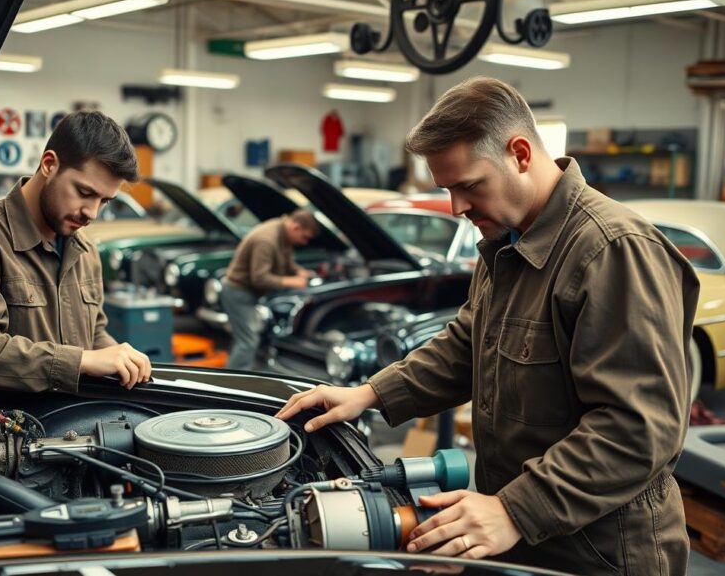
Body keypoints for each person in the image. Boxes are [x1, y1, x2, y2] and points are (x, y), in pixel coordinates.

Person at [276, 77, 699, 575]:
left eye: (469, 185)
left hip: (601, 550)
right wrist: (369, 394)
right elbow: (468, 344)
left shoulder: (612, 251)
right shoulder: (505, 243)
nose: (457, 207)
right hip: (523, 529)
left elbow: (638, 429)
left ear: (520, 153)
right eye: (446, 189)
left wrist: (515, 509)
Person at [0, 111, 153, 392]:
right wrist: (79, 361)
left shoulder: (85, 250)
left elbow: (92, 334)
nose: (92, 213)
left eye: (104, 201)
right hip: (4, 426)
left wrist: (121, 358)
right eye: (84, 192)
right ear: (49, 164)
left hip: (73, 422)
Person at [221, 210, 319, 369]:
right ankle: (231, 386)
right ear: (295, 227)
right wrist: (291, 281)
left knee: (243, 339)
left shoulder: (282, 233)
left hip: (245, 293)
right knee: (248, 342)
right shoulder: (266, 240)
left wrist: (298, 271)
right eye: (304, 237)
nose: (305, 242)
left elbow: (284, 260)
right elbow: (259, 278)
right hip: (238, 293)